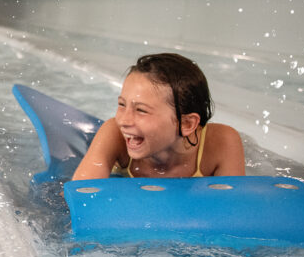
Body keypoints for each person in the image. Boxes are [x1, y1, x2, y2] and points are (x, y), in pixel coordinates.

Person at [72, 53, 244, 181]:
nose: (123, 121)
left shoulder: (222, 143)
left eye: (141, 110)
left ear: (186, 123)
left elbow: (235, 212)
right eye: (122, 104)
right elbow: (79, 199)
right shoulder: (113, 134)